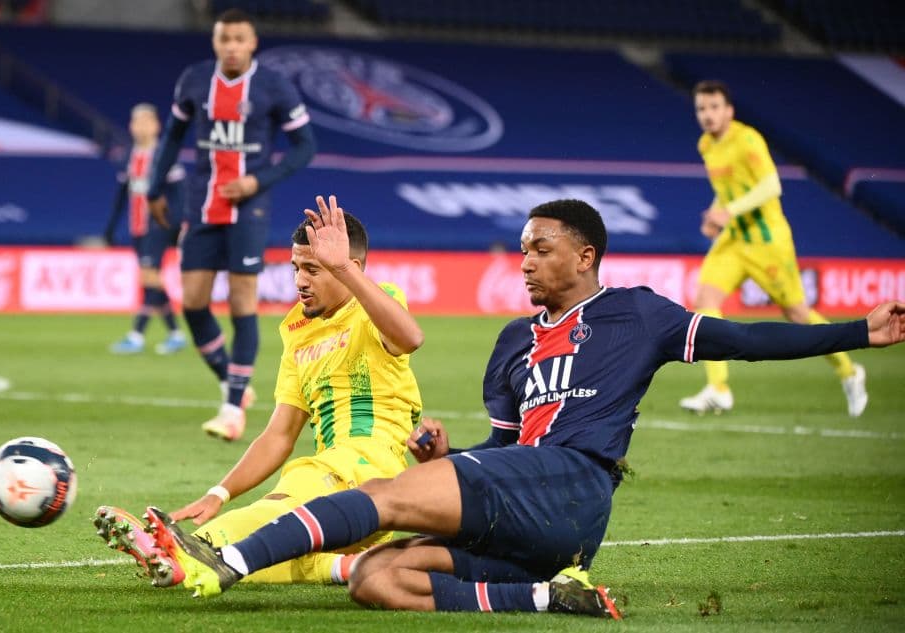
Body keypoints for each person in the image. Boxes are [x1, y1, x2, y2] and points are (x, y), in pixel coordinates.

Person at [138, 198, 903, 619]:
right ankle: (547, 594)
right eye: (524, 248)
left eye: (540, 247)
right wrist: (446, 454)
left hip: (574, 482)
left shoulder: (640, 314)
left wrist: (861, 331)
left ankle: (230, 560)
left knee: (376, 500)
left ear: (585, 256)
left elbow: (745, 339)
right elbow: (501, 445)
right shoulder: (512, 343)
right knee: (375, 576)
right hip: (528, 509)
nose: (526, 260)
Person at [95, 195, 425, 586]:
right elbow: (279, 435)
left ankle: (188, 546)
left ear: (348, 268)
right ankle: (351, 566)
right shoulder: (298, 332)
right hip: (342, 497)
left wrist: (344, 271)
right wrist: (220, 493)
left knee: (282, 511)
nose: (300, 280)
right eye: (295, 268)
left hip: (365, 468)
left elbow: (410, 337)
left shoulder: (376, 304)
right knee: (291, 548)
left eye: (314, 270)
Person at [145, 8, 317, 440]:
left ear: (253, 42)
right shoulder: (194, 81)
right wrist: (152, 189)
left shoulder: (274, 87)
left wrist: (259, 179)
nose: (232, 47)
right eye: (225, 39)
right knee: (193, 302)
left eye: (240, 39)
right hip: (201, 206)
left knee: (242, 301)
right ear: (215, 42)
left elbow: (305, 146)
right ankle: (232, 381)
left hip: (249, 209)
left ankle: (232, 407)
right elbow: (171, 136)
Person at [680, 80, 867, 417]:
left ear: (728, 110)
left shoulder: (747, 139)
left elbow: (771, 185)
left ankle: (850, 372)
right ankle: (719, 389)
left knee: (797, 314)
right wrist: (716, 213)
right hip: (734, 241)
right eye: (701, 108)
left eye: (713, 107)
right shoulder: (706, 144)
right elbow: (728, 188)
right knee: (705, 300)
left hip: (768, 243)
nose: (707, 115)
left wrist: (730, 211)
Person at [104, 103, 188, 355]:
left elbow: (179, 192)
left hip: (158, 224)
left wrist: (174, 224)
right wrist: (110, 227)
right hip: (137, 226)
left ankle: (137, 334)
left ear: (155, 126)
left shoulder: (164, 154)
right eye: (135, 122)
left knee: (149, 275)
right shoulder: (129, 155)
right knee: (150, 279)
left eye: (145, 122)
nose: (139, 127)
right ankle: (175, 333)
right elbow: (122, 193)